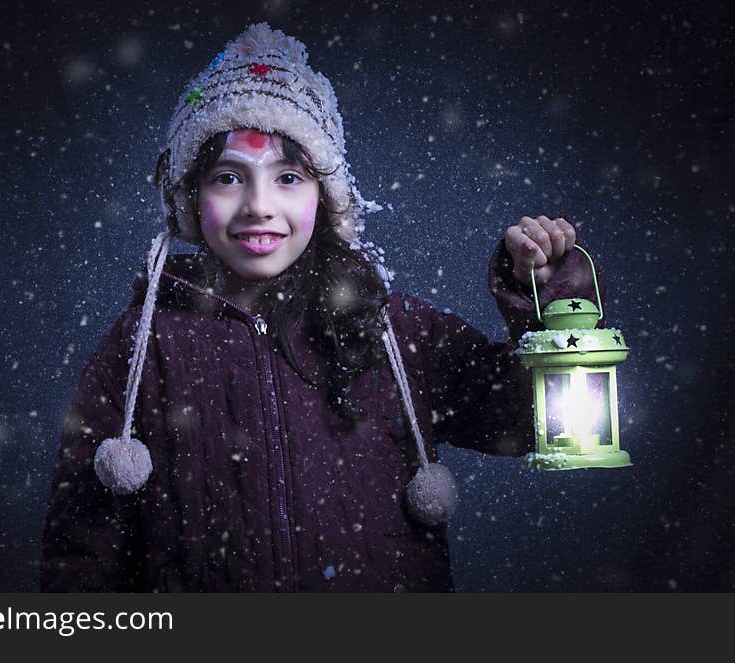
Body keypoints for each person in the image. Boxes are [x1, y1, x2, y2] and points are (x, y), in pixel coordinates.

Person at [40, 23, 604, 592]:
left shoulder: (392, 330)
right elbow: (81, 552)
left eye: (288, 177)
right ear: (191, 195)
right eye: (228, 177)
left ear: (323, 195)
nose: (259, 206)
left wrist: (551, 303)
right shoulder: (144, 348)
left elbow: (530, 419)